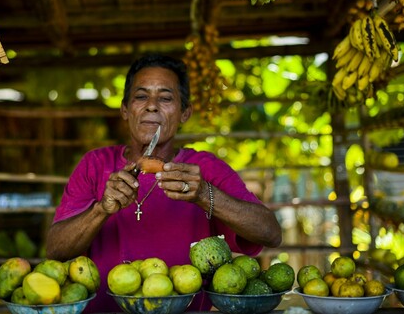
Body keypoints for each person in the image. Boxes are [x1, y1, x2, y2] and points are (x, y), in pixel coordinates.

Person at [46, 53, 282, 312]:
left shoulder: (204, 168)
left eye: (166, 98)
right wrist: (101, 209)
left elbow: (270, 233)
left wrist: (204, 193)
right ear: (125, 109)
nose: (152, 106)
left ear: (185, 113)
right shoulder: (95, 164)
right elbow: (56, 250)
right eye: (141, 96)